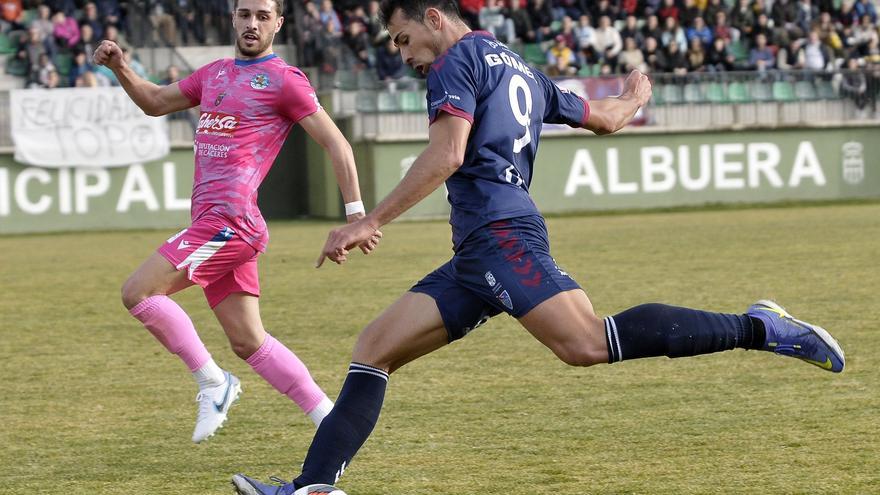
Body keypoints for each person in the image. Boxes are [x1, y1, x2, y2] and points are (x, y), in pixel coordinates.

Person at [232, 1, 845, 493]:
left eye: (402, 38)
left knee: (585, 343)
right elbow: (603, 118)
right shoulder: (520, 66)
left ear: (435, 19)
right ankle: (313, 488)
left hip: (501, 234)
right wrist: (634, 97)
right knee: (373, 349)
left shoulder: (454, 64)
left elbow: (446, 155)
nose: (403, 55)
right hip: (479, 250)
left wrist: (370, 220)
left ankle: (759, 327)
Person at [93, 0, 378, 444]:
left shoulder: (285, 81)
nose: (252, 23)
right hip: (217, 223)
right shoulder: (214, 73)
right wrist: (120, 67)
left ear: (278, 24)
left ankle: (213, 382)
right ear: (233, 18)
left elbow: (338, 145)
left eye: (263, 16)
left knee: (139, 292)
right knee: (249, 341)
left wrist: (356, 216)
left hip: (231, 223)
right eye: (245, 14)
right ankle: (330, 420)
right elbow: (153, 102)